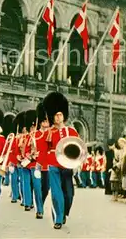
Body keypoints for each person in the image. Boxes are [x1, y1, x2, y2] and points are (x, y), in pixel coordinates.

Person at [44, 91, 79, 229]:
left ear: (64, 115)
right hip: (53, 163)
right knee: (56, 192)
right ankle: (58, 218)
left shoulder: (71, 131)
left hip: (68, 165)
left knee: (69, 194)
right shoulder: (49, 132)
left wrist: (77, 164)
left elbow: (79, 149)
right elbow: (44, 150)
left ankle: (64, 212)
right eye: (56, 115)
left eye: (60, 115)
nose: (58, 118)